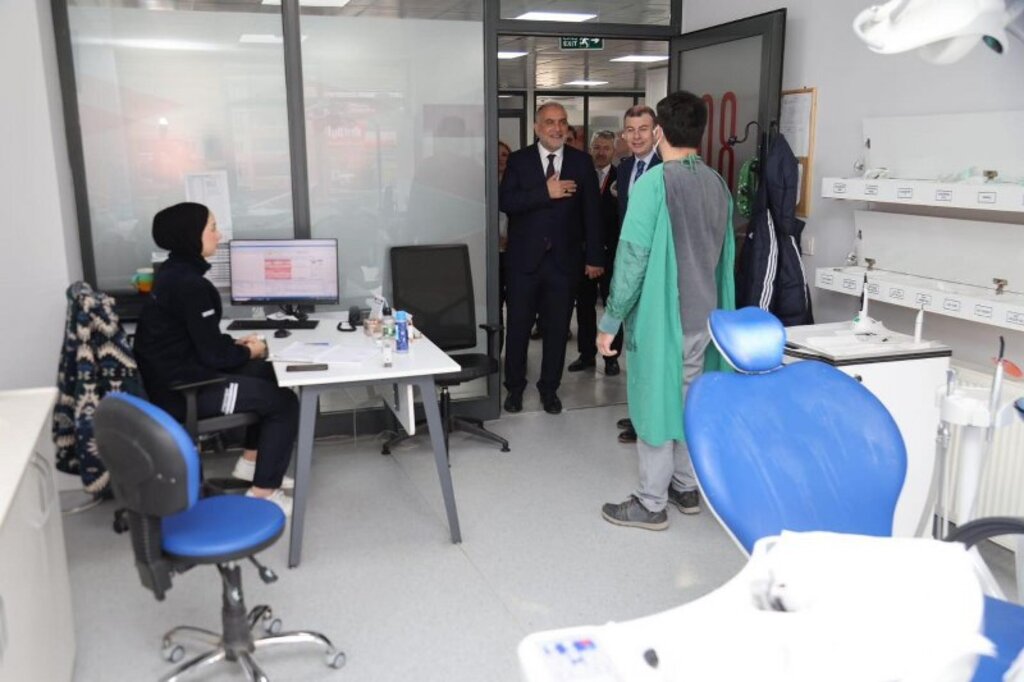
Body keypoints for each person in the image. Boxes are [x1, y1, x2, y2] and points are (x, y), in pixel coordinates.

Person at [597, 90, 736, 531]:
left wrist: (610, 321)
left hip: (664, 318)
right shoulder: (716, 184)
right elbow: (724, 256)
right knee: (690, 401)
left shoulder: (653, 184)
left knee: (655, 402)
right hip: (706, 317)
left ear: (658, 132)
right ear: (701, 132)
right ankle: (685, 486)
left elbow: (632, 259)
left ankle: (651, 502)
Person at [133, 202, 298, 514]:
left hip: (175, 376)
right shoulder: (190, 285)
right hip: (186, 391)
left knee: (268, 374)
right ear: (190, 235)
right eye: (212, 228)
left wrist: (236, 345)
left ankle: (251, 465)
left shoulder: (173, 273)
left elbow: (194, 339)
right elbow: (214, 355)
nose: (219, 235)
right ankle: (264, 493)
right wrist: (249, 350)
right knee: (284, 402)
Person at [499, 102, 603, 415]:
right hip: (524, 263)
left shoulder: (581, 162)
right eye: (549, 122)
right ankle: (514, 388)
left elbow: (592, 213)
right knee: (518, 328)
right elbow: (506, 201)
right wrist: (546, 192)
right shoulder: (519, 161)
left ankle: (549, 389)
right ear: (536, 127)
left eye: (562, 122)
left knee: (557, 330)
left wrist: (594, 257)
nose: (557, 128)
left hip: (564, 263)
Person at [613, 105, 662, 444]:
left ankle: (648, 420)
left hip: (656, 269)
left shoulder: (666, 169)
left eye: (643, 129)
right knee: (634, 346)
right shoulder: (625, 168)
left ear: (656, 132)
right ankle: (638, 413)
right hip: (630, 266)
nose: (636, 136)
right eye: (630, 130)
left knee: (651, 349)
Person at [568, 130, 621, 376]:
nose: (601, 152)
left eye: (606, 148)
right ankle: (586, 354)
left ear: (614, 151)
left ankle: (611, 358)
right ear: (590, 149)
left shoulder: (622, 177)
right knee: (584, 306)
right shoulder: (580, 175)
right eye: (597, 147)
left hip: (613, 255)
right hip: (584, 253)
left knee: (613, 306)